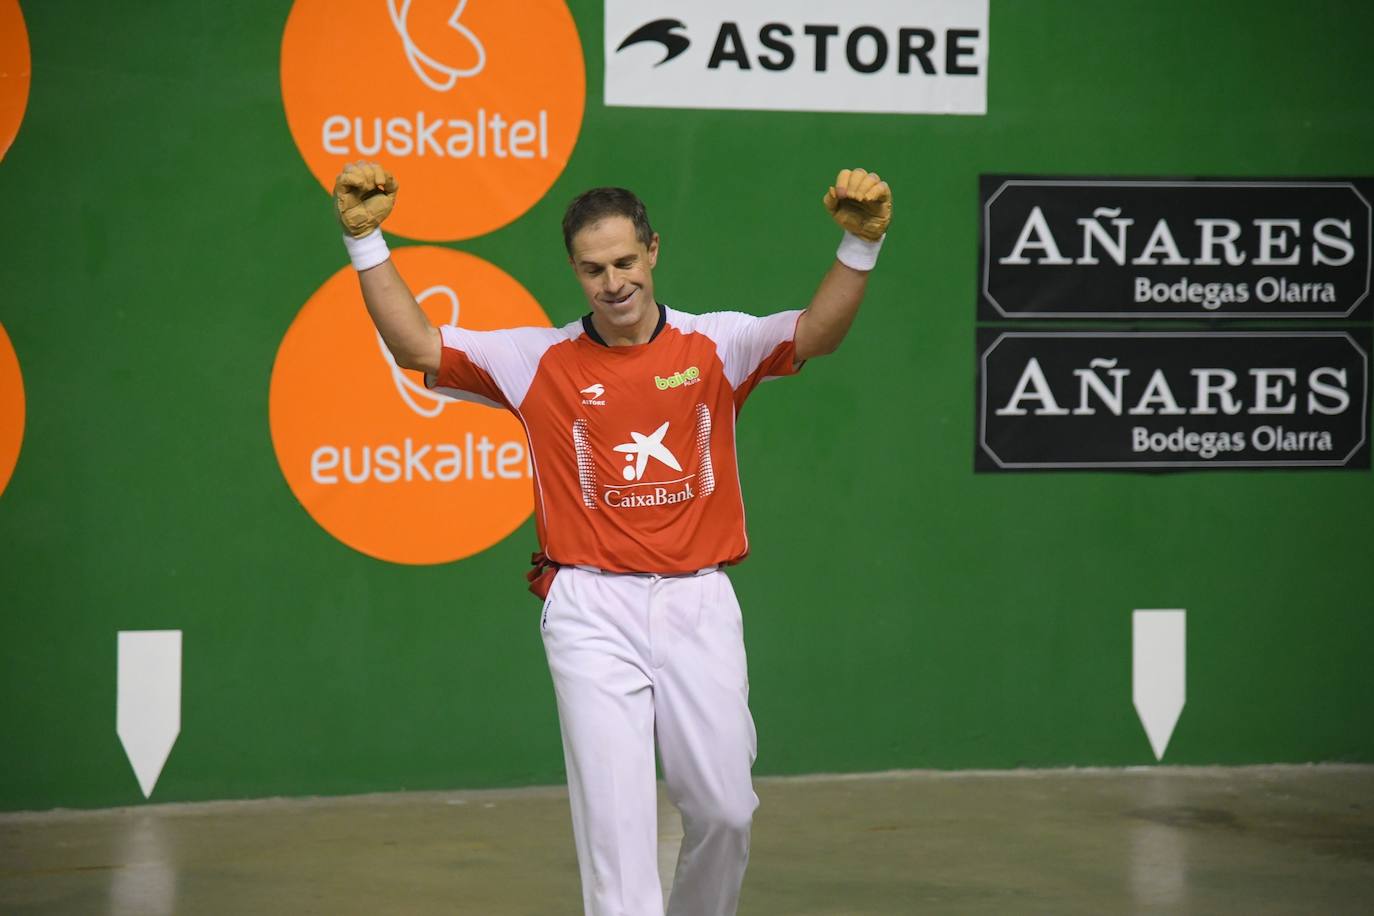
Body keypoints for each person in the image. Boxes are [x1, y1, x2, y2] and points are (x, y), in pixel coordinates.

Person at [332, 161, 892, 916]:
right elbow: (417, 345)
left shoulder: (716, 345)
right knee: (618, 835)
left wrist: (858, 247)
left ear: (653, 252)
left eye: (625, 262)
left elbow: (816, 332)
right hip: (590, 609)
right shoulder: (536, 360)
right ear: (575, 271)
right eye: (594, 269)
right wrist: (364, 239)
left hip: (699, 603)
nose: (613, 282)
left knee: (726, 811)